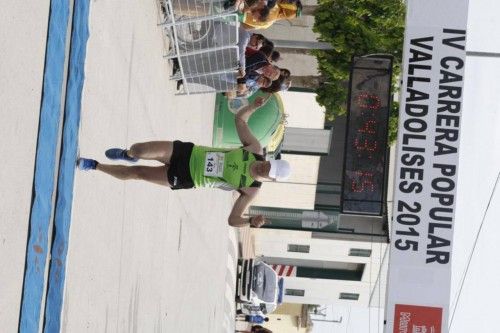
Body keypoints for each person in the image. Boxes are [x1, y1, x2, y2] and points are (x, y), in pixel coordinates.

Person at [77, 96, 291, 228]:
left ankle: (94, 165)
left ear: (270, 179)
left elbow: (233, 219)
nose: (264, 167)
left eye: (268, 172)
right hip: (188, 153)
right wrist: (253, 106)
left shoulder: (251, 190)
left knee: (139, 174)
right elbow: (240, 120)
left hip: (188, 177)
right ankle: (129, 154)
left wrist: (249, 222)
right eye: (269, 164)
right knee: (140, 149)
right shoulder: (254, 150)